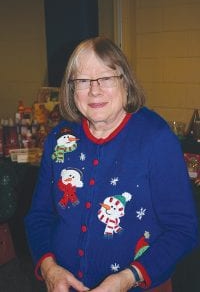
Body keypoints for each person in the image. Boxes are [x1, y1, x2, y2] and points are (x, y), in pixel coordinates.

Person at [24, 36, 198, 292]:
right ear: (72, 89)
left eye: (106, 78)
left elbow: (184, 229)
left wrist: (127, 278)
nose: (95, 90)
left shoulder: (156, 139)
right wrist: (50, 269)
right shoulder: (60, 139)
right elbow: (39, 216)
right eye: (83, 81)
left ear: (125, 82)